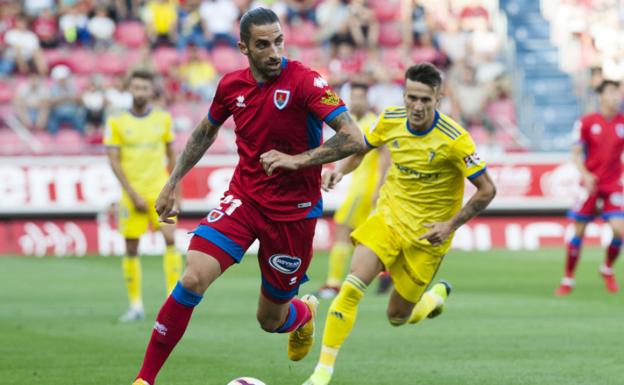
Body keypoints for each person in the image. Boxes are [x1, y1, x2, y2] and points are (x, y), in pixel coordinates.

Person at [131, 8, 366, 385]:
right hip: (244, 200)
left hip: (293, 214)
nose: (274, 52)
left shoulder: (305, 81)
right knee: (192, 278)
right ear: (244, 48)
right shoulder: (231, 86)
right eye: (262, 44)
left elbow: (354, 138)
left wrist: (297, 161)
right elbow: (205, 132)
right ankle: (144, 380)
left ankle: (303, 315)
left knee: (269, 320)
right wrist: (173, 181)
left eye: (278, 41)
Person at [303, 63, 497, 385]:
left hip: (427, 237)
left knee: (397, 316)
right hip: (389, 218)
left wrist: (450, 225)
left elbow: (487, 189)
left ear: (438, 97)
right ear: (403, 95)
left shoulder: (455, 139)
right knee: (351, 288)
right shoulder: (391, 119)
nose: (417, 107)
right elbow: (362, 148)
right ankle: (322, 372)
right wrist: (341, 170)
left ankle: (432, 299)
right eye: (411, 98)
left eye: (425, 100)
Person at [104, 69, 183, 322]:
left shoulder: (163, 119)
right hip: (131, 195)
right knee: (131, 247)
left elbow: (173, 157)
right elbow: (114, 161)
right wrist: (131, 193)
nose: (140, 92)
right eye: (136, 87)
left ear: (151, 91)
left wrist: (175, 191)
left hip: (159, 191)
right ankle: (135, 305)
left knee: (170, 239)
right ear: (130, 90)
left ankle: (173, 300)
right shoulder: (117, 122)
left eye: (144, 88)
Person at [316, 82, 390, 299]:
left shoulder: (371, 124)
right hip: (357, 186)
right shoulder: (352, 123)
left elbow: (385, 157)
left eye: (361, 97)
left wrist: (379, 187)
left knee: (341, 229)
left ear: (368, 100)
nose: (357, 101)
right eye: (354, 97)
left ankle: (333, 283)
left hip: (364, 188)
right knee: (368, 236)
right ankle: (385, 273)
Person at [555, 79, 624, 296]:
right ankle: (568, 278)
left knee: (619, 230)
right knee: (579, 232)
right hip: (589, 184)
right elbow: (575, 154)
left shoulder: (622, 122)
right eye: (612, 92)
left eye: (618, 92)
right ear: (601, 96)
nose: (616, 96)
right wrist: (585, 174)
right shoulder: (586, 122)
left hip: (613, 184)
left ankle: (607, 268)